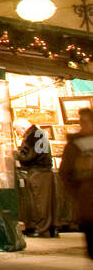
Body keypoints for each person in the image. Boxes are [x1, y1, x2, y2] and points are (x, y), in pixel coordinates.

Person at [58, 108, 93, 260]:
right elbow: (66, 174)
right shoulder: (74, 146)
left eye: (86, 121)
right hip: (88, 206)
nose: (83, 125)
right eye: (81, 121)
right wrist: (80, 194)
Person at [16, 119, 57, 238]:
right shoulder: (39, 133)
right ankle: (51, 228)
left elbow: (27, 156)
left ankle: (42, 229)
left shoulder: (32, 136)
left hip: (37, 172)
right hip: (44, 171)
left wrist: (15, 154)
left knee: (39, 202)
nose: (18, 134)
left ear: (23, 128)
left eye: (17, 131)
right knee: (47, 202)